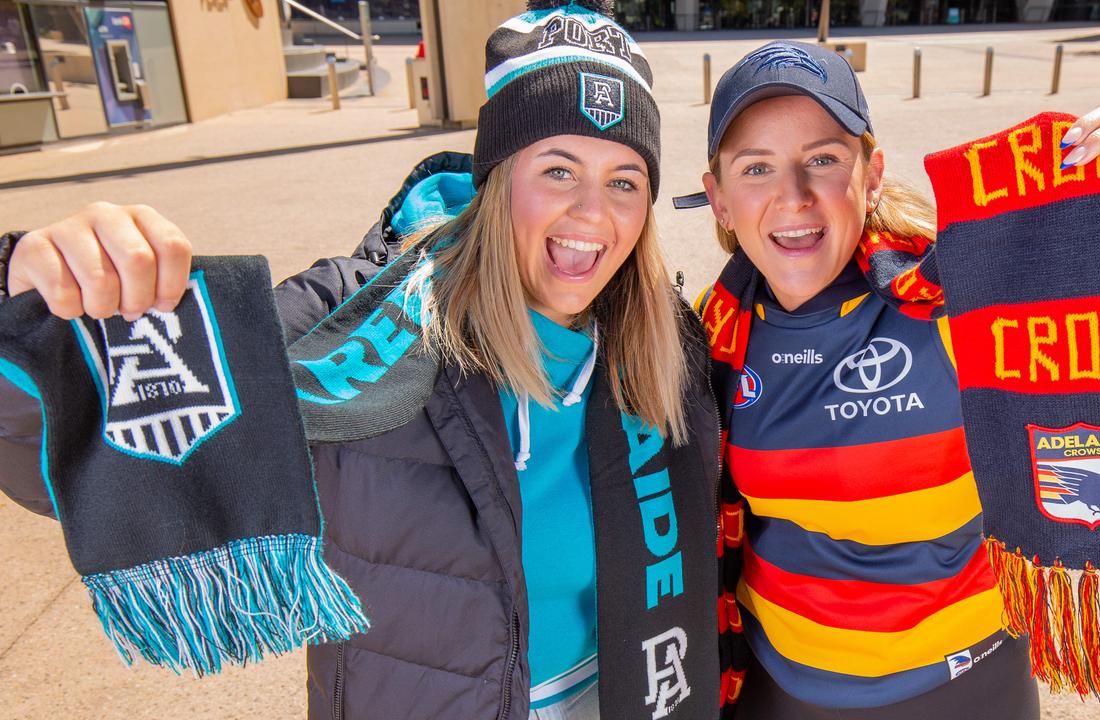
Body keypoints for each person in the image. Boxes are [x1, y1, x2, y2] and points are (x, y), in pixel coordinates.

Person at [0, 3, 723, 719]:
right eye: (558, 170)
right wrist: (38, 289)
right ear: (497, 179)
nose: (594, 214)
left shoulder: (663, 341)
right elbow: (55, 444)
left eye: (624, 180)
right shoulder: (350, 319)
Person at [687, 41, 1100, 719]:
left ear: (870, 176)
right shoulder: (712, 334)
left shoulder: (961, 306)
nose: (793, 197)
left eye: (823, 159)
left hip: (961, 686)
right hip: (777, 686)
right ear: (718, 199)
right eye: (757, 168)